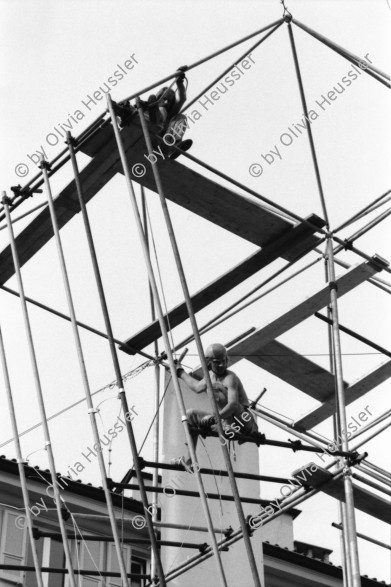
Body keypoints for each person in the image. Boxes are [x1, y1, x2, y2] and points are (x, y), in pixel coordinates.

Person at [172, 343, 259, 467]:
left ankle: (227, 426)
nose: (222, 365)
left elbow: (233, 404)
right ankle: (190, 458)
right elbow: (196, 387)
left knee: (219, 389)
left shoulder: (230, 378)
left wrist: (213, 418)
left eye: (223, 361)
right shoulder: (210, 377)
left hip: (241, 421)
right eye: (217, 362)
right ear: (209, 362)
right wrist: (180, 371)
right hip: (224, 423)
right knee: (190, 415)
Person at [145, 70, 193, 159]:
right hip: (148, 138)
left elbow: (182, 98)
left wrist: (179, 82)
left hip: (164, 143)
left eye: (170, 101)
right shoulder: (146, 110)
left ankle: (176, 146)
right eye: (165, 98)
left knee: (181, 117)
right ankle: (155, 120)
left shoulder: (170, 113)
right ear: (159, 97)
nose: (167, 102)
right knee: (161, 109)